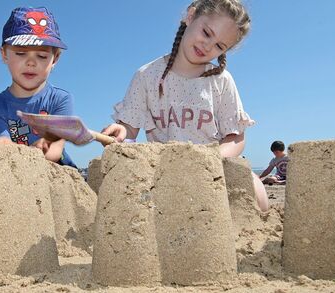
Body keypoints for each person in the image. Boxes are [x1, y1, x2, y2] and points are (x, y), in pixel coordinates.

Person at [102, 0, 269, 211]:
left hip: (212, 167)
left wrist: (210, 159)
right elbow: (130, 127)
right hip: (162, 169)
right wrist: (121, 130)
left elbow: (235, 138)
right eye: (207, 33)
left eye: (219, 46)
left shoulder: (221, 80)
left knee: (258, 193)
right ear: (190, 17)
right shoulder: (147, 75)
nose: (208, 46)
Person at [0, 6, 77, 167]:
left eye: (41, 55)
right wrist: (31, 152)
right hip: (15, 177)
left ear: (55, 59)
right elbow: (2, 147)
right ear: (4, 54)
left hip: (57, 178)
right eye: (20, 53)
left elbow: (55, 150)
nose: (31, 62)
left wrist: (44, 146)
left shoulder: (61, 100)